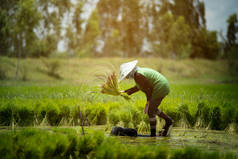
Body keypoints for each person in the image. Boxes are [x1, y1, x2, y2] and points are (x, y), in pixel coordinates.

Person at [118, 60, 173, 137]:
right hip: (163, 85)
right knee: (153, 108)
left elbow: (148, 89)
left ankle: (153, 135)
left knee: (150, 111)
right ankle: (168, 120)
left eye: (126, 75)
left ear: (129, 72)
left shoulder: (138, 75)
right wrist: (125, 91)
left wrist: (148, 102)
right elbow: (138, 87)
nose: (126, 77)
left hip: (160, 87)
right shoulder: (138, 74)